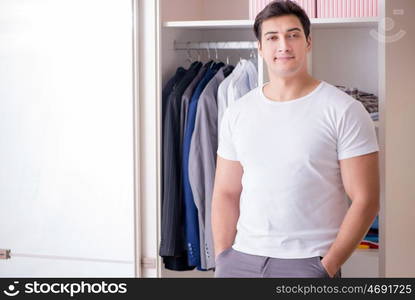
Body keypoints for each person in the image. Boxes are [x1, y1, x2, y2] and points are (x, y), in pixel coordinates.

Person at [211, 0, 380, 278]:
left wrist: (328, 265)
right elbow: (226, 192)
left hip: (308, 262)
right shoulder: (238, 111)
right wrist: (223, 257)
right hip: (240, 260)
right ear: (260, 47)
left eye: (293, 35)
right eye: (272, 37)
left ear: (308, 42)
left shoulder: (344, 110)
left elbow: (366, 199)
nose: (283, 46)